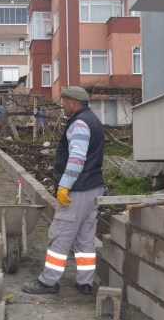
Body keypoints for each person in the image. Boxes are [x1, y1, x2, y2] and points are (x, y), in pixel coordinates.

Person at [22, 86, 105, 296]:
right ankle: (85, 283)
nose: (63, 106)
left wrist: (65, 185)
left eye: (65, 102)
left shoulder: (79, 123)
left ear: (73, 102)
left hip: (78, 190)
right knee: (85, 237)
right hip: (94, 187)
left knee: (60, 235)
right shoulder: (93, 120)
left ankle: (48, 281)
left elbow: (77, 158)